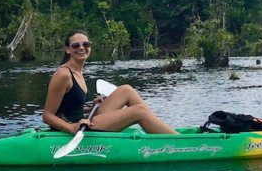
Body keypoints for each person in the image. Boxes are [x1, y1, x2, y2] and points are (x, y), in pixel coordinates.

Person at [42, 30, 177, 135]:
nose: (82, 48)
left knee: (126, 90)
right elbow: (47, 116)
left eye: (86, 44)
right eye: (76, 45)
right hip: (80, 127)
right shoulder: (63, 74)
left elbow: (68, 108)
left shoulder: (78, 71)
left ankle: (156, 126)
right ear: (68, 49)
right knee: (139, 111)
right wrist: (71, 128)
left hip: (86, 119)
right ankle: (179, 140)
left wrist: (89, 108)